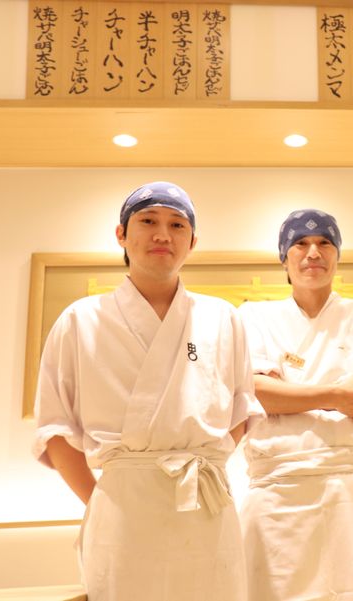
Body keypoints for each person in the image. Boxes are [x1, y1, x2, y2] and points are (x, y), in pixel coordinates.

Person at [33, 181, 260, 601]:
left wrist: (206, 460)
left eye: (177, 225)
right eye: (148, 221)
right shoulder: (81, 320)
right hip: (122, 511)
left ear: (192, 242)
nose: (162, 235)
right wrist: (104, 497)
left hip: (206, 506)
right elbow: (55, 426)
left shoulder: (223, 318)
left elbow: (241, 408)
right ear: (121, 234)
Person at [238, 209, 353, 601]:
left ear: (337, 255)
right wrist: (337, 396)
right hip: (276, 488)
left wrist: (289, 394)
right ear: (284, 258)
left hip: (350, 484)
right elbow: (258, 392)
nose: (313, 252)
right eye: (301, 244)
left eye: (325, 242)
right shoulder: (253, 316)